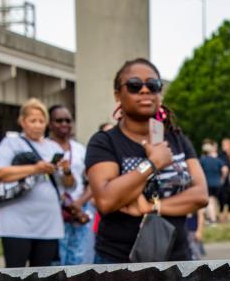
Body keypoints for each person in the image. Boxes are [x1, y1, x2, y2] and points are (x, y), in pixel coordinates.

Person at [85, 58, 207, 263]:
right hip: (118, 263)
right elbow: (106, 200)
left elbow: (200, 195)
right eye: (134, 85)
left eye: (153, 85)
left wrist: (151, 207)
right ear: (117, 94)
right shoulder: (104, 142)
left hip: (176, 259)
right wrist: (153, 164)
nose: (144, 91)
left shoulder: (177, 139)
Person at [0, 99, 65, 268]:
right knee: (16, 277)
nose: (37, 125)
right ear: (22, 122)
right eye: (33, 120)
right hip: (15, 223)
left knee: (44, 278)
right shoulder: (11, 143)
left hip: (48, 223)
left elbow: (69, 184)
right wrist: (36, 168)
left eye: (41, 121)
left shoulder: (54, 147)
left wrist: (66, 170)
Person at [49, 104, 94, 265]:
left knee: (78, 255)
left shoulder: (80, 149)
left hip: (80, 207)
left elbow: (92, 180)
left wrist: (79, 203)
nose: (64, 124)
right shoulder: (45, 148)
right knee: (57, 259)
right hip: (54, 211)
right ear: (50, 123)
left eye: (67, 120)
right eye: (58, 120)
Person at [200, 140, 227, 224]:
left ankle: (212, 219)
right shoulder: (217, 160)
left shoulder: (202, 160)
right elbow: (225, 169)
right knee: (214, 201)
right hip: (217, 183)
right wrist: (222, 179)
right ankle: (210, 217)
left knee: (210, 201)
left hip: (208, 183)